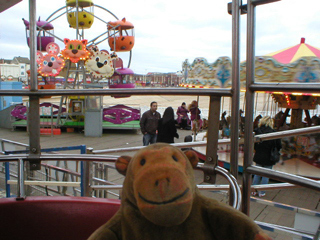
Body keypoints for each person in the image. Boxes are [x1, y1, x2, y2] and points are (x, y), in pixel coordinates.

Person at [252, 116, 282, 197]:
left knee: (257, 174)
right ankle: (262, 192)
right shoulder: (273, 132)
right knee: (266, 175)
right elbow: (279, 145)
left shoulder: (257, 131)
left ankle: (254, 190)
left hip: (259, 155)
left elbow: (253, 144)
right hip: (269, 156)